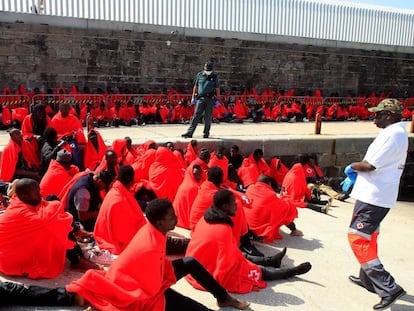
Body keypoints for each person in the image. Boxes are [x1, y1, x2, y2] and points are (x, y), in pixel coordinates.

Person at [66, 198, 249, 310]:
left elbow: (159, 271)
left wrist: (166, 276)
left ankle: (223, 298)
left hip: (151, 280)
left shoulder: (154, 231)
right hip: (139, 293)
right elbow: (152, 290)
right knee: (192, 307)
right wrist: (168, 285)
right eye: (172, 216)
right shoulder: (150, 245)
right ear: (160, 222)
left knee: (190, 262)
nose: (176, 218)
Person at [186, 189, 312, 294]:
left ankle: (271, 261)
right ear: (224, 207)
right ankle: (289, 272)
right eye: (233, 203)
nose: (237, 204)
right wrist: (245, 266)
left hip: (201, 261)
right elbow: (226, 267)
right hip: (207, 268)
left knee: (240, 257)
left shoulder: (207, 218)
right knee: (255, 270)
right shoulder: (222, 229)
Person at [347, 99, 407, 310]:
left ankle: (389, 287)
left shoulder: (393, 135)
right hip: (376, 195)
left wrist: (351, 167)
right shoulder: (396, 132)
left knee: (357, 238)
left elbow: (370, 165)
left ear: (389, 115)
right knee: (369, 237)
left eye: (378, 114)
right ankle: (368, 280)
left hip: (374, 197)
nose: (374, 118)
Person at [0, 178, 74, 279]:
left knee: (53, 208)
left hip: (12, 251)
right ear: (24, 196)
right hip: (9, 261)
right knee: (55, 222)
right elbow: (45, 221)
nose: (40, 195)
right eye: (37, 193)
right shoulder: (21, 212)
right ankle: (76, 259)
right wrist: (55, 208)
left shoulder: (19, 199)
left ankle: (77, 257)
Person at [93, 165, 146, 263]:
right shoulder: (119, 200)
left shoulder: (115, 191)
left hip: (107, 235)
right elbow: (122, 236)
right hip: (116, 242)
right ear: (131, 182)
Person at [245, 175, 298, 242]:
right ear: (269, 184)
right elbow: (285, 209)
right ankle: (294, 230)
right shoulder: (270, 194)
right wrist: (285, 198)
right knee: (287, 209)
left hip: (246, 227)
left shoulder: (250, 188)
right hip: (259, 231)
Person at [182, 60, 221, 139]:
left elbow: (217, 88)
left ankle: (206, 133)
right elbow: (195, 87)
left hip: (210, 98)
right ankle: (190, 132)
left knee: (208, 117)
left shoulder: (214, 76)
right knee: (196, 115)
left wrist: (218, 99)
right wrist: (193, 97)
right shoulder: (200, 75)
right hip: (201, 98)